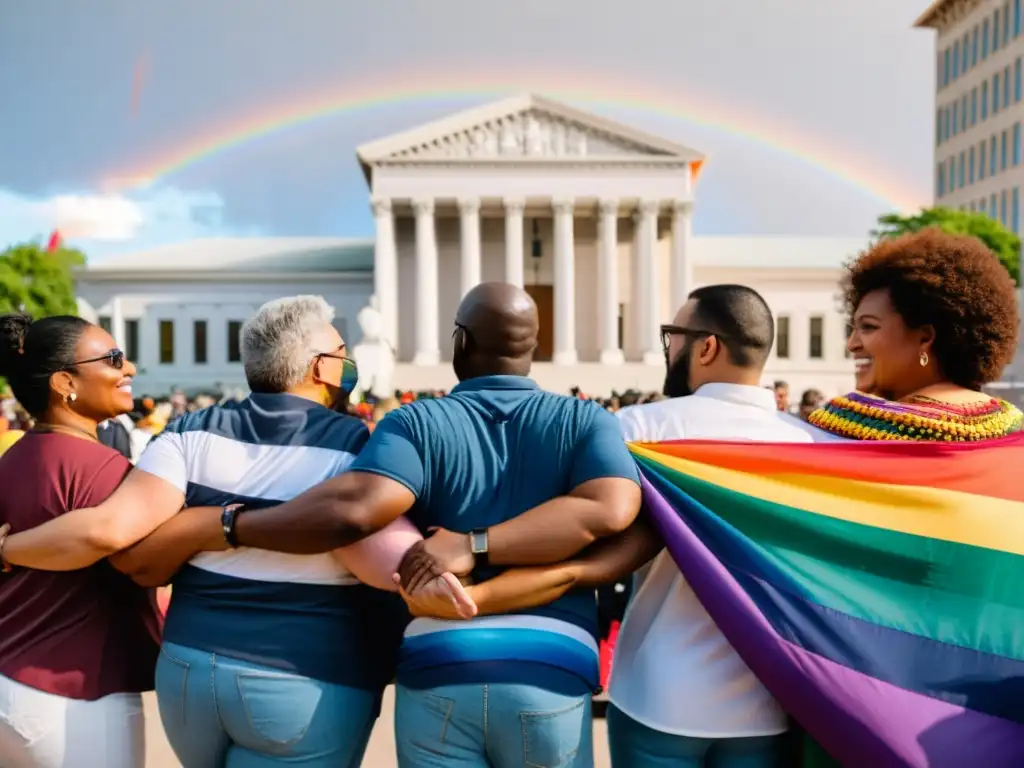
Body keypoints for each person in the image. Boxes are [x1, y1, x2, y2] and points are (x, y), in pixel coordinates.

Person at [157, 282, 642, 767]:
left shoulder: (415, 423)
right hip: (551, 666)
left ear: (460, 342)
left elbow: (361, 509)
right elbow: (610, 509)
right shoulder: (586, 420)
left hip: (439, 660)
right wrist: (487, 550)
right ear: (534, 349)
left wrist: (227, 524)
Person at [0, 297, 464, 767]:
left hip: (188, 670)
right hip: (302, 673)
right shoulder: (356, 449)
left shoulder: (188, 432)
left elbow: (131, 553)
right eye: (342, 351)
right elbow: (386, 563)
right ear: (321, 369)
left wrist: (206, 527)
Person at [399, 285, 829, 768]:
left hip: (659, 691)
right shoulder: (815, 445)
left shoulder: (642, 428)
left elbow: (583, 558)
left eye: (674, 336)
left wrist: (474, 580)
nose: (670, 349)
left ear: (706, 347)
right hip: (767, 698)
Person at [0, 314, 161, 768]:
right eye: (113, 359)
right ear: (65, 382)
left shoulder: (13, 457)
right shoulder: (105, 470)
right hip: (73, 694)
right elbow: (151, 562)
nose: (128, 369)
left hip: (10, 679)